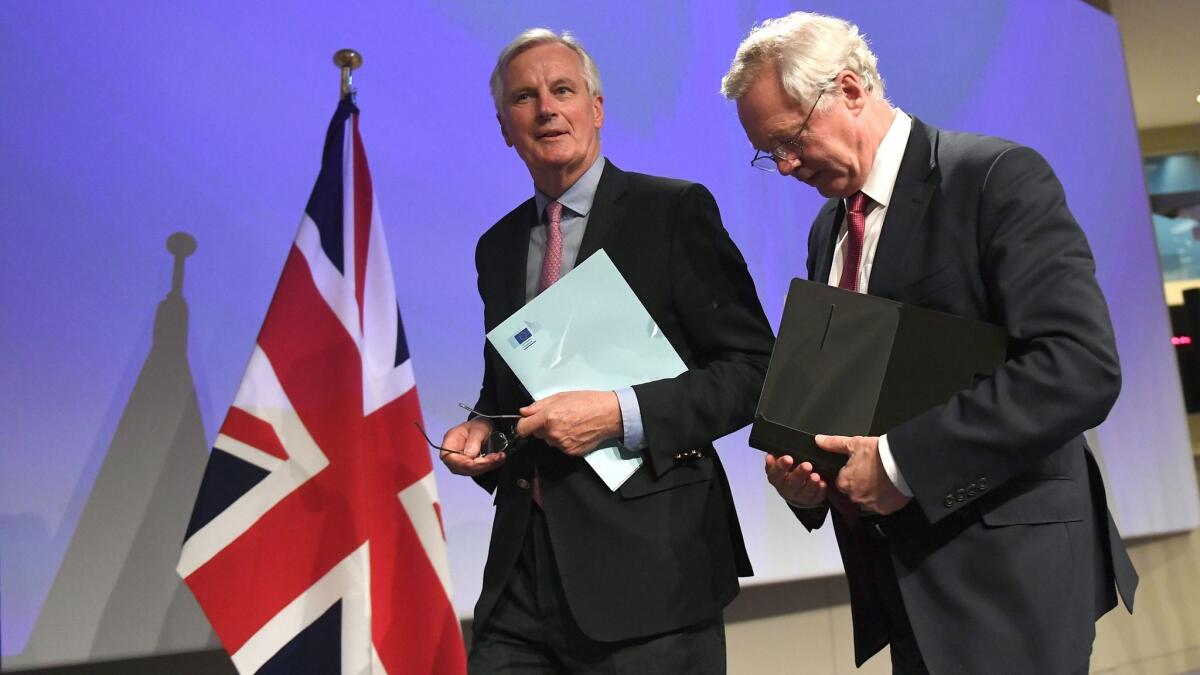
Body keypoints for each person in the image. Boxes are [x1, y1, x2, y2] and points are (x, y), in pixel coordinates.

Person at [721, 11, 1137, 674]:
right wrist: (812, 477)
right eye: (768, 152)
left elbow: (1078, 366)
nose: (785, 164)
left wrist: (897, 463)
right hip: (907, 582)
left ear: (851, 90)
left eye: (791, 138)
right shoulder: (829, 228)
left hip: (1009, 576)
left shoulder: (996, 178)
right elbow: (858, 396)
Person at [438, 28, 775, 673]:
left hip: (652, 579)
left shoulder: (673, 212)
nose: (546, 109)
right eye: (524, 98)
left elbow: (755, 373)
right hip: (520, 580)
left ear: (595, 107)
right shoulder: (498, 246)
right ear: (505, 127)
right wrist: (485, 426)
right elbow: (512, 386)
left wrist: (620, 413)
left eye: (563, 90)